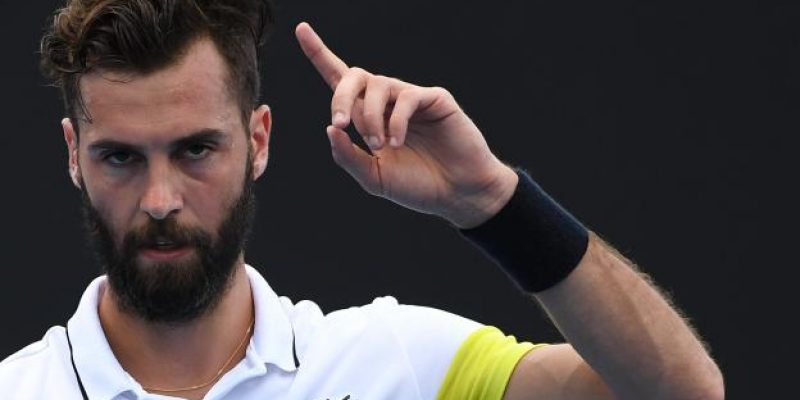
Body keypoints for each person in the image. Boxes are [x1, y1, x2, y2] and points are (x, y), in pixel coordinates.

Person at [0, 0, 723, 399]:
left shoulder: (397, 363)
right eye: (120, 157)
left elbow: (683, 394)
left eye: (196, 151)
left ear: (258, 140)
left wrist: (493, 202)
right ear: (73, 155)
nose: (160, 200)